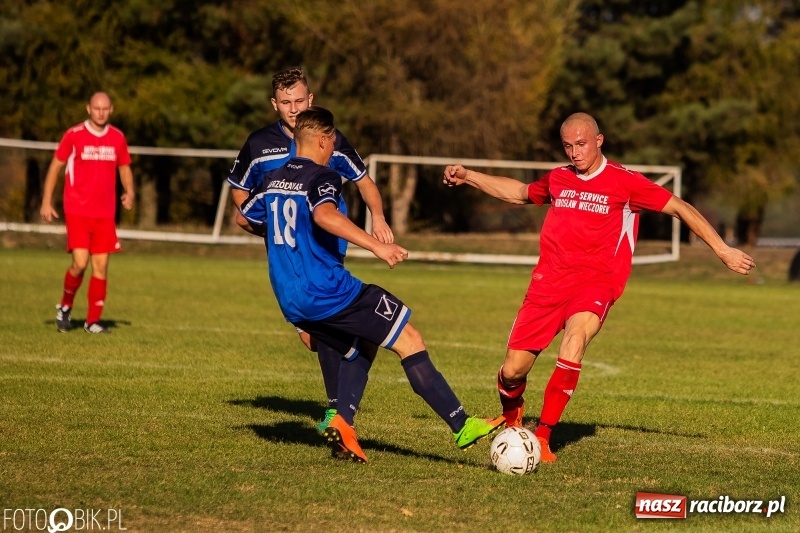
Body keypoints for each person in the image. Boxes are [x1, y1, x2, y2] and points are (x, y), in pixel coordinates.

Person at [443, 112, 756, 463]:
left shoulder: (625, 182)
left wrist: (723, 250)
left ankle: (544, 436)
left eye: (581, 144)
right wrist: (469, 176)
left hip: (596, 281)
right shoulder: (559, 178)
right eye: (567, 146)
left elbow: (680, 208)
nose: (575, 153)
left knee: (574, 342)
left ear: (599, 141)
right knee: (513, 370)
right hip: (548, 282)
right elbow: (518, 193)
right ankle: (513, 419)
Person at [236, 106, 505, 462]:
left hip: (290, 297)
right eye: (332, 141)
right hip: (328, 290)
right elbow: (325, 214)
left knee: (363, 343)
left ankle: (343, 422)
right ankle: (462, 424)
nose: (334, 148)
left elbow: (244, 216)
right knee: (408, 337)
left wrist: (287, 240)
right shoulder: (323, 177)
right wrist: (378, 245)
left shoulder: (272, 179)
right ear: (322, 140)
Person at [228, 67, 394, 434]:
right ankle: (347, 380)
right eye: (285, 102)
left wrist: (378, 218)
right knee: (312, 338)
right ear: (274, 104)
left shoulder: (327, 138)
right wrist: (270, 231)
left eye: (299, 100)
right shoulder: (259, 144)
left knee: (322, 324)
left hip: (326, 247)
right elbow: (240, 194)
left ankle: (338, 410)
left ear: (311, 99)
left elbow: (364, 182)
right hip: (287, 254)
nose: (293, 108)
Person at [40, 91, 135, 334]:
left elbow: (124, 167)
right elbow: (55, 167)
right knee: (80, 263)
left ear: (111, 109)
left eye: (105, 108)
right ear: (88, 109)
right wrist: (46, 201)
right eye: (96, 108)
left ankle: (92, 321)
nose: (101, 112)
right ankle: (65, 305)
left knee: (101, 267)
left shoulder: (117, 138)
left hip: (105, 214)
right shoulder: (74, 135)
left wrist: (129, 191)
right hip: (78, 211)